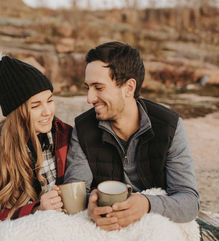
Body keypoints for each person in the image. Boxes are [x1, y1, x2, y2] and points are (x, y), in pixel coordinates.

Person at [64, 42, 200, 231]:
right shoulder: (83, 129)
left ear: (129, 87)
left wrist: (146, 204)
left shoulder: (169, 126)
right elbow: (76, 194)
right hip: (104, 225)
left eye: (98, 88)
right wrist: (90, 207)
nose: (89, 98)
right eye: (87, 87)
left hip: (155, 224)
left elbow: (189, 202)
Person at [0, 52, 72, 228]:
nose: (47, 111)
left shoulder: (64, 134)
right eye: (36, 105)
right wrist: (36, 210)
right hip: (18, 231)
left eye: (50, 100)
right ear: (16, 112)